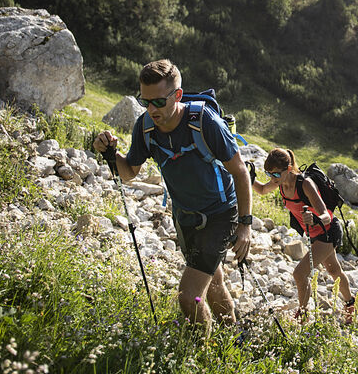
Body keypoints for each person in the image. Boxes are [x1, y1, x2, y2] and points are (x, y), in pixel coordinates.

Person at [93, 59, 252, 336]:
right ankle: (232, 336)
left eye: (158, 102)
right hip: (184, 216)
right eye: (145, 102)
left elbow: (240, 172)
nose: (151, 109)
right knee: (212, 281)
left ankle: (201, 353)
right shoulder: (145, 127)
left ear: (177, 95)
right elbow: (129, 172)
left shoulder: (204, 122)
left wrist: (245, 225)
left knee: (188, 296)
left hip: (220, 214)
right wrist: (110, 153)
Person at [252, 148, 355, 322]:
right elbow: (262, 190)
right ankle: (351, 305)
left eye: (276, 174)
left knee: (299, 274)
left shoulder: (305, 184)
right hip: (314, 234)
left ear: (289, 168)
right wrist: (249, 177)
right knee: (334, 270)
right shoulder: (280, 182)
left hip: (327, 231)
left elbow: (325, 215)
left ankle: (303, 315)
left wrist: (314, 218)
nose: (272, 178)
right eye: (269, 174)